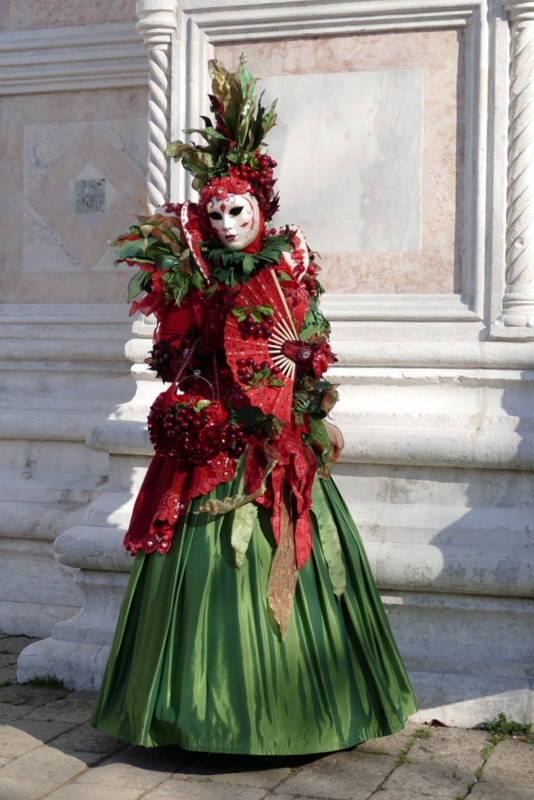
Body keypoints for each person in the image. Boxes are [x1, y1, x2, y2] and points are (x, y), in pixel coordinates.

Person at [90, 57, 416, 755]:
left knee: (289, 544)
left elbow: (312, 347)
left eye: (237, 209)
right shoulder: (193, 274)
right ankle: (196, 713)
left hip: (276, 442)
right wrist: (184, 382)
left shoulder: (290, 270)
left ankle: (301, 710)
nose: (226, 222)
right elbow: (180, 354)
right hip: (213, 445)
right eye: (214, 212)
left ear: (262, 208)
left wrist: (304, 374)